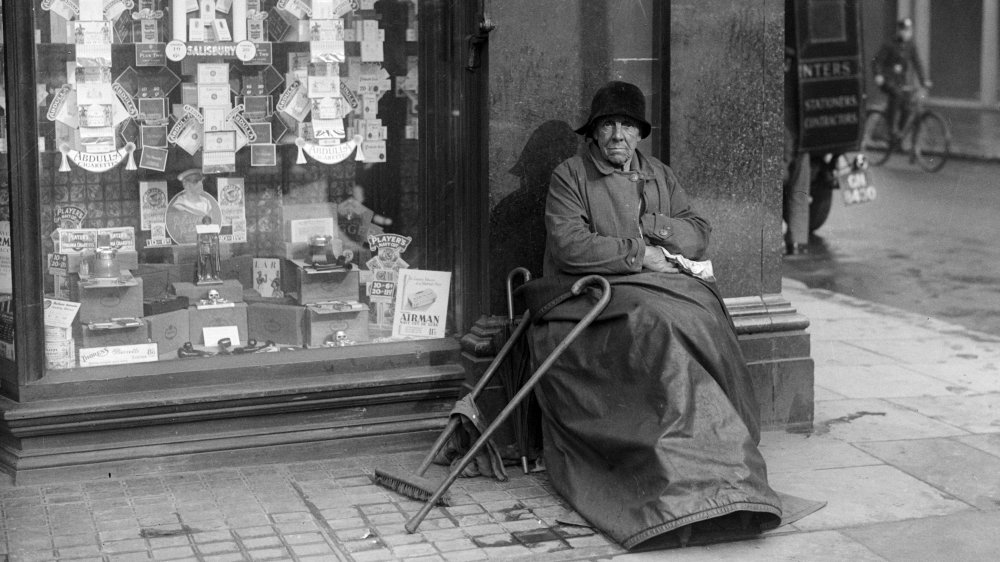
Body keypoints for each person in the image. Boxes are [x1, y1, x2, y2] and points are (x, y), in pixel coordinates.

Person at [522, 81, 782, 551]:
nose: (617, 135)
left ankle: (726, 474)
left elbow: (698, 233)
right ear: (593, 134)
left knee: (702, 317)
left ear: (640, 133)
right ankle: (678, 483)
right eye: (607, 125)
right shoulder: (570, 175)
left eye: (626, 125)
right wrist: (638, 254)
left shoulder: (659, 174)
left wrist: (652, 225)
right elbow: (570, 245)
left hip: (655, 290)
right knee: (658, 326)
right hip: (586, 299)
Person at [873, 17, 932, 137]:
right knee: (896, 94)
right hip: (887, 80)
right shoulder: (889, 44)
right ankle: (891, 128)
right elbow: (876, 61)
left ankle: (898, 134)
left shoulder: (911, 46)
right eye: (904, 30)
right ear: (899, 31)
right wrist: (878, 74)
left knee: (908, 106)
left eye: (909, 30)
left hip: (900, 81)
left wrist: (924, 80)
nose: (906, 33)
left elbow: (917, 63)